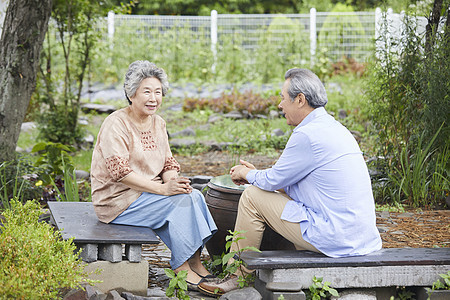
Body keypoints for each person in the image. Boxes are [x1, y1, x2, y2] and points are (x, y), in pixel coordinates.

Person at [198, 68, 382, 296]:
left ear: (300, 99)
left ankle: (238, 276)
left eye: (283, 98)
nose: (279, 105)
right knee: (271, 192)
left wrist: (246, 174)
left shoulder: (307, 134)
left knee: (252, 197)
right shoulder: (334, 128)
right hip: (360, 238)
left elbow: (273, 179)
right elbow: (285, 181)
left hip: (337, 238)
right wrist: (262, 178)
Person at [90, 60, 218, 292]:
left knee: (195, 196)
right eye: (146, 91)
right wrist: (162, 189)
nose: (153, 98)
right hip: (119, 200)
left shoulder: (158, 123)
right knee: (179, 203)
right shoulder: (116, 124)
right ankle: (181, 267)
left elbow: (168, 162)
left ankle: (196, 262)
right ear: (131, 94)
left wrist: (173, 181)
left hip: (147, 194)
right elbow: (119, 172)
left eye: (158, 92)